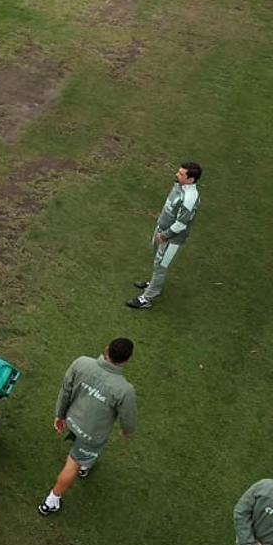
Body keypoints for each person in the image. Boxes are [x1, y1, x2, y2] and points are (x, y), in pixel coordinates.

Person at [37, 337, 138, 516]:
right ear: (128, 359)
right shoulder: (125, 390)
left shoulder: (81, 363)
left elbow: (66, 389)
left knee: (83, 454)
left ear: (106, 349)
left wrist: (60, 415)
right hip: (91, 434)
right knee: (73, 465)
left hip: (71, 420)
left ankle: (86, 463)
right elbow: (128, 417)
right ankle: (51, 501)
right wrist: (126, 430)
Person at [127, 161, 202, 308]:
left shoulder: (190, 198)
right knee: (157, 260)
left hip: (172, 239)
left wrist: (165, 235)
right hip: (162, 229)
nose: (177, 175)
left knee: (161, 266)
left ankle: (147, 299)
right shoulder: (179, 186)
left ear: (191, 179)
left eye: (181, 174)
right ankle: (153, 285)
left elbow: (181, 224)